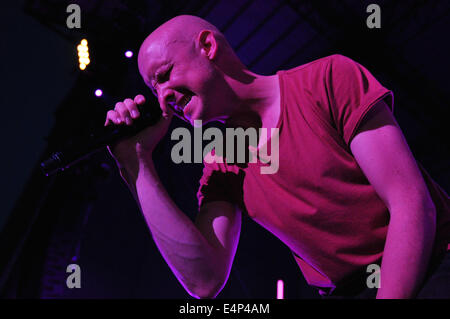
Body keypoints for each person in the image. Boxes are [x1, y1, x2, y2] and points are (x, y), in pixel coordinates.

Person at [103, 15, 450, 299]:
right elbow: (203, 280)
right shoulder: (224, 162)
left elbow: (411, 203)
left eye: (164, 76)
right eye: (153, 90)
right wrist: (136, 164)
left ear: (207, 46)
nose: (163, 99)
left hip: (432, 265)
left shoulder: (327, 80)